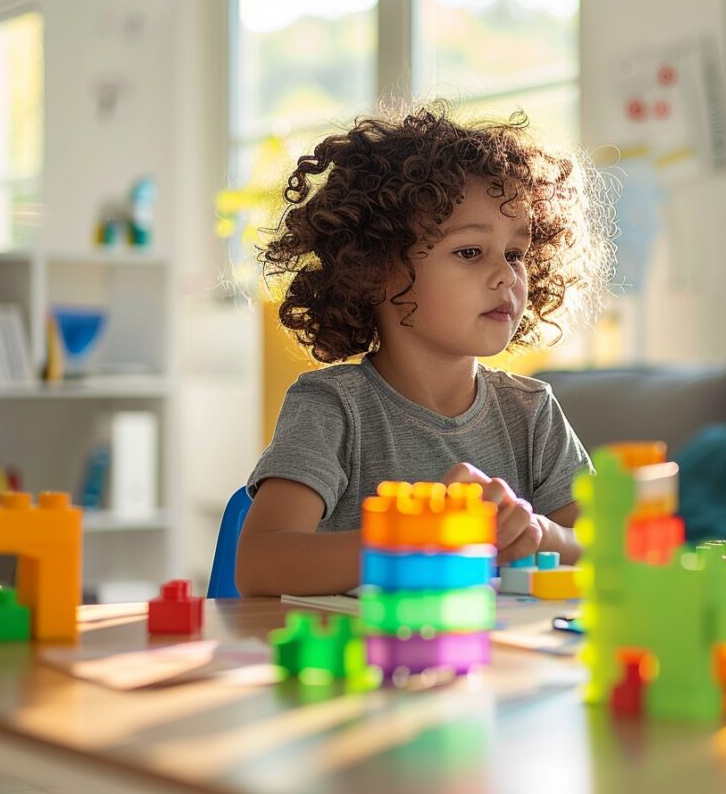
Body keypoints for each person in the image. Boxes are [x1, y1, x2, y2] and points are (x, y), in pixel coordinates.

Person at [235, 102, 615, 596]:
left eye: (516, 254)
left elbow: (608, 550)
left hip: (497, 664)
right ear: (376, 270)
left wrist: (541, 534)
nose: (507, 275)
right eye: (470, 252)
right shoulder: (334, 407)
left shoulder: (531, 411)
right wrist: (419, 535)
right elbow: (260, 565)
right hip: (363, 663)